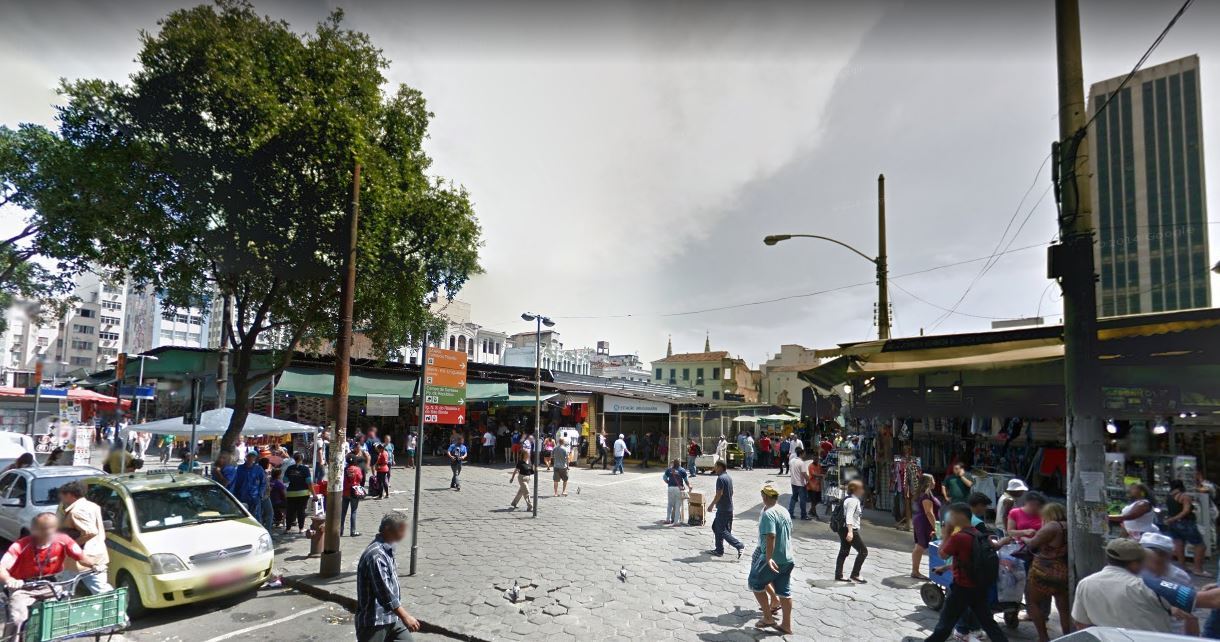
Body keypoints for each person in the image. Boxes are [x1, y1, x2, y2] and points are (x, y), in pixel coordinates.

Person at [921, 503, 1010, 642]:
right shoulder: (979, 535)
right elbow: (969, 562)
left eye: (950, 516)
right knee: (988, 623)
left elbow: (942, 554)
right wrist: (944, 568)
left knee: (945, 624)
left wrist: (946, 533)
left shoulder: (959, 537)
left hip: (962, 588)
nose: (948, 519)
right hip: (979, 587)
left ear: (959, 517)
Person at [0, 513, 97, 639]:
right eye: (41, 530)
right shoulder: (21, 545)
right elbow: (2, 566)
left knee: (57, 615)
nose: (45, 534)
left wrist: (94, 565)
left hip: (50, 584)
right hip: (23, 586)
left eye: (49, 530)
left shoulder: (63, 540)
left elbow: (82, 557)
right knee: (18, 618)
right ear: (34, 530)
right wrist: (10, 579)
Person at [1072, 538, 1179, 633]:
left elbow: (1081, 624)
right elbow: (1187, 603)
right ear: (1134, 564)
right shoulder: (1148, 586)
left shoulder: (1085, 583)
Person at [355, 513, 422, 642]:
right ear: (388, 530)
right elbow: (385, 594)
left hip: (392, 618)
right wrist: (405, 616)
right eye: (401, 530)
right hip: (374, 621)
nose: (405, 534)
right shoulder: (376, 556)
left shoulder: (388, 549)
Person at [749, 484, 794, 635]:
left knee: (755, 582)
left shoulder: (768, 513)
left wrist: (768, 558)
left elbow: (771, 536)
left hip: (773, 558)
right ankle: (786, 625)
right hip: (788, 558)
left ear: (765, 497)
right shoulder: (784, 510)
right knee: (784, 591)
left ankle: (768, 618)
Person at [1023, 502, 1072, 642]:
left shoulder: (1052, 526)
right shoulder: (1068, 526)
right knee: (1063, 608)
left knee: (1032, 602)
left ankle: (1043, 638)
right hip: (1062, 570)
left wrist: (1024, 538)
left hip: (1043, 570)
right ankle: (1068, 637)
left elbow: (1032, 544)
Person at [56, 482, 112, 595]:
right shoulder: (92, 506)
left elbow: (90, 532)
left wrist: (72, 546)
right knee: (101, 591)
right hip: (97, 555)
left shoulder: (76, 511)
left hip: (79, 558)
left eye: (62, 495)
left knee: (63, 592)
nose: (60, 498)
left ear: (69, 495)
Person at [1140, 532, 1197, 636]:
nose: (1155, 556)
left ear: (1169, 556)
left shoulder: (1181, 577)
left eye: (1161, 553)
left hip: (1172, 632)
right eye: (1150, 551)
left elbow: (1190, 615)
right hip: (1141, 629)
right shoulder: (1133, 572)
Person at [1165, 479, 1210, 576]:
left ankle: (1182, 567)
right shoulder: (1184, 496)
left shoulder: (1169, 496)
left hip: (1173, 524)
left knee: (1179, 544)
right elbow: (1186, 511)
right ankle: (1198, 569)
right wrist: (1175, 518)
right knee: (1200, 545)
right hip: (1185, 523)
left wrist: (1171, 519)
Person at [708, 461, 744, 558]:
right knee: (716, 527)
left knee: (721, 530)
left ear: (720, 467)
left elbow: (719, 494)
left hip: (723, 509)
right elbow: (732, 492)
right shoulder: (728, 477)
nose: (714, 468)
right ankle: (719, 550)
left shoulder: (720, 478)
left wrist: (711, 505)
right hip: (728, 508)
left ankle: (739, 545)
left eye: (715, 466)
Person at [835, 480, 868, 583]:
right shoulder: (853, 501)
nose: (863, 491)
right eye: (861, 489)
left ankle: (839, 575)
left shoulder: (848, 498)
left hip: (843, 528)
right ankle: (855, 574)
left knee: (844, 551)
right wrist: (850, 532)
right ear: (855, 490)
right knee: (863, 551)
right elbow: (849, 516)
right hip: (849, 529)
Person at [911, 473, 940, 580]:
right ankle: (915, 571)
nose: (935, 482)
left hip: (921, 521)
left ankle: (915, 570)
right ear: (928, 482)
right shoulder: (926, 495)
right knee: (920, 546)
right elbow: (929, 513)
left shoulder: (925, 494)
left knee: (919, 546)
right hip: (924, 522)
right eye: (933, 480)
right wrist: (936, 527)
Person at [230, 451, 267, 523]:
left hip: (255, 497)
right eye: (249, 456)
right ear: (246, 457)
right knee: (243, 516)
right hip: (241, 496)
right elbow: (235, 483)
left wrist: (260, 494)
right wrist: (234, 495)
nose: (251, 458)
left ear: (255, 459)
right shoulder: (239, 468)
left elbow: (263, 482)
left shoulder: (258, 469)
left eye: (253, 457)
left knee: (256, 517)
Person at [284, 452, 313, 534]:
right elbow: (309, 482)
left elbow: (285, 480)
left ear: (294, 459)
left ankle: (288, 529)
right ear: (302, 459)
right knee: (301, 511)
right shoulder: (305, 469)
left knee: (290, 511)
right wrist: (314, 494)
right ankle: (301, 528)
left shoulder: (289, 468)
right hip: (303, 493)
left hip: (291, 493)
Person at [342, 455, 365, 537]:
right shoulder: (357, 469)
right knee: (353, 511)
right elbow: (360, 478)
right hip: (354, 492)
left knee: (343, 512)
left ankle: (340, 530)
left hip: (345, 492)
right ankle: (353, 531)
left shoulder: (344, 469)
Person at [662, 459, 690, 526]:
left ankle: (668, 520)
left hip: (670, 488)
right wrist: (689, 486)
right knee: (678, 505)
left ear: (673, 463)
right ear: (679, 463)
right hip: (678, 489)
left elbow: (664, 478)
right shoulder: (682, 470)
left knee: (670, 504)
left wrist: (668, 482)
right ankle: (676, 522)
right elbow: (686, 480)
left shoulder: (669, 470)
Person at [787, 448, 809, 521]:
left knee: (794, 498)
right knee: (802, 500)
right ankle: (803, 515)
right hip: (800, 484)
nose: (805, 455)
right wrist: (809, 480)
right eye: (804, 453)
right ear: (801, 454)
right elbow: (804, 474)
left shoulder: (791, 461)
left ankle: (790, 513)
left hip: (793, 482)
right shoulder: (801, 463)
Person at [805, 456, 823, 521]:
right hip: (811, 486)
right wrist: (821, 475)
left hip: (818, 486)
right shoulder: (810, 466)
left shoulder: (819, 465)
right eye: (815, 459)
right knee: (813, 501)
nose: (816, 460)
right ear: (813, 459)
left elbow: (820, 472)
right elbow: (813, 474)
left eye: (817, 459)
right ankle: (814, 514)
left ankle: (811, 511)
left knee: (817, 500)